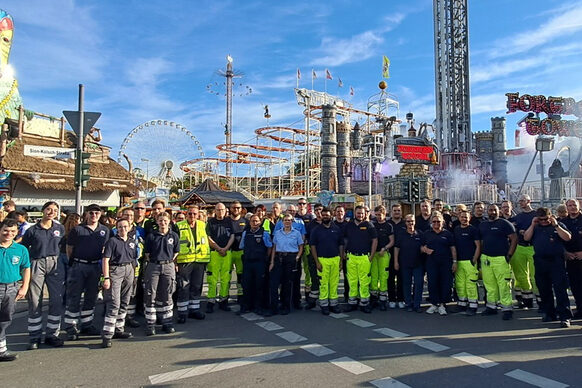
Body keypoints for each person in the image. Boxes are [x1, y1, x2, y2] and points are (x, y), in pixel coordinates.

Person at [20, 201, 65, 349]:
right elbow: (24, 248)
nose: (51, 212)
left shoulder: (60, 228)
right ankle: (34, 336)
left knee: (56, 300)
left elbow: (63, 247)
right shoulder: (32, 230)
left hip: (55, 264)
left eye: (54, 210)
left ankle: (52, 334)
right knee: (34, 300)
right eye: (48, 209)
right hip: (37, 263)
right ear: (43, 211)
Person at [64, 204, 110, 340]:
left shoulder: (104, 231)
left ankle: (86, 324)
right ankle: (71, 326)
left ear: (100, 215)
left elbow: (105, 249)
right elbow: (69, 248)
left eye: (97, 213)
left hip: (95, 266)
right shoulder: (77, 230)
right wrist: (74, 263)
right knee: (74, 296)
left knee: (91, 297)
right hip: (79, 266)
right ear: (86, 214)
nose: (94, 215)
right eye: (91, 213)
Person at [524, 207, 572, 327]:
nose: (544, 222)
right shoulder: (536, 227)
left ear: (551, 216)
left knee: (560, 289)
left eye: (546, 219)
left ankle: (564, 316)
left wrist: (556, 226)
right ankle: (549, 313)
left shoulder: (558, 225)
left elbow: (567, 237)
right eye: (541, 219)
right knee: (544, 289)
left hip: (556, 261)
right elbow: (526, 238)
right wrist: (532, 224)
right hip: (540, 261)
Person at [100, 218, 137, 348]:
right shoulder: (112, 241)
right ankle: (107, 334)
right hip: (115, 270)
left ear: (130, 227)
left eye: (125, 226)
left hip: (129, 270)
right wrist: (106, 277)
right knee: (114, 302)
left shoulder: (132, 242)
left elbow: (133, 258)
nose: (123, 229)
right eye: (120, 227)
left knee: (125, 301)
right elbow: (105, 260)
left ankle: (119, 329)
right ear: (116, 228)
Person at [479, 204, 517, 320]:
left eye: (494, 210)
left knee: (504, 284)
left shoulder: (504, 223)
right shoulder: (482, 225)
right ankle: (491, 307)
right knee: (489, 284)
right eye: (490, 210)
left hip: (501, 258)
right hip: (486, 259)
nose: (492, 212)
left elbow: (514, 239)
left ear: (498, 211)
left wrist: (509, 255)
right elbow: (480, 241)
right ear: (487, 211)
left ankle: (507, 309)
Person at [143, 212, 179, 336]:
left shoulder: (173, 236)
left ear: (169, 221)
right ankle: (151, 323)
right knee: (150, 293)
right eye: (160, 220)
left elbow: (176, 252)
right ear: (157, 222)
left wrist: (168, 261)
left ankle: (167, 322)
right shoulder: (151, 236)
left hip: (168, 265)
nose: (162, 223)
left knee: (168, 294)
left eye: (165, 220)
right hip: (154, 265)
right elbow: (147, 253)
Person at [0, 218, 30, 361]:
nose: (9, 233)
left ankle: (1, 350)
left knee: (5, 319)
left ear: (17, 232)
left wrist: (24, 286)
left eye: (12, 231)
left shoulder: (21, 249)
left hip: (12, 288)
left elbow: (26, 268)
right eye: (5, 230)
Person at [175, 206, 210, 323]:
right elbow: (175, 245)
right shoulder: (179, 226)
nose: (192, 216)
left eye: (195, 214)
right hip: (185, 261)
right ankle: (182, 312)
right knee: (183, 286)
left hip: (199, 260)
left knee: (196, 286)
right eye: (190, 214)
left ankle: (194, 310)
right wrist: (174, 262)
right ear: (186, 214)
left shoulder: (202, 225)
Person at [343, 205, 378, 313]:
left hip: (364, 257)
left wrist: (371, 255)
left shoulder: (369, 225)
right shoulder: (349, 225)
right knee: (352, 281)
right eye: (358, 213)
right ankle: (352, 302)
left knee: (364, 281)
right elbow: (344, 239)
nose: (360, 215)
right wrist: (344, 251)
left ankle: (364, 303)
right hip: (351, 256)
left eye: (362, 213)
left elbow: (375, 240)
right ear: (355, 213)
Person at [310, 208, 344, 315]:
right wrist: (317, 262)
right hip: (322, 259)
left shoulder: (337, 229)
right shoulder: (316, 230)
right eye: (323, 215)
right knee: (323, 283)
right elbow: (313, 246)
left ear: (331, 216)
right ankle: (324, 304)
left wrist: (341, 260)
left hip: (335, 259)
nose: (325, 216)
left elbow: (341, 245)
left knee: (334, 283)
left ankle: (333, 304)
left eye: (327, 215)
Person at [422, 212, 456, 316]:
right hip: (432, 263)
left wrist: (455, 262)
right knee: (432, 283)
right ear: (431, 222)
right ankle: (434, 304)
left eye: (438, 221)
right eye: (434, 221)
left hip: (445, 262)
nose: (436, 223)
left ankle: (442, 305)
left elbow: (453, 248)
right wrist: (425, 249)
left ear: (443, 222)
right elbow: (421, 246)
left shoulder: (448, 234)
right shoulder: (427, 233)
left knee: (445, 284)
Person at [269, 214, 304, 315]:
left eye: (289, 220)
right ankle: (275, 306)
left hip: (291, 258)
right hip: (279, 258)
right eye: (285, 220)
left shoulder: (296, 233)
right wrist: (272, 261)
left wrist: (297, 257)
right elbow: (274, 247)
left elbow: (301, 246)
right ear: (282, 222)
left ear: (292, 222)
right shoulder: (278, 233)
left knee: (287, 284)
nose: (287, 222)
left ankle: (286, 306)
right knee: (275, 283)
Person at [239, 214, 272, 314]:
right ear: (249, 222)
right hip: (248, 262)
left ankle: (259, 307)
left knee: (259, 285)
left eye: (256, 221)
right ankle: (246, 306)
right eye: (252, 221)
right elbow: (241, 246)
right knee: (247, 285)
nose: (254, 223)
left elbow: (269, 246)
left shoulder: (264, 233)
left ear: (260, 222)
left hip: (260, 263)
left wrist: (266, 258)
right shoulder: (246, 233)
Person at [205, 203, 235, 313]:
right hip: (214, 253)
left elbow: (232, 236)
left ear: (225, 210)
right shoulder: (210, 222)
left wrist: (226, 248)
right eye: (218, 210)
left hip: (227, 253)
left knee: (225, 278)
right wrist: (218, 248)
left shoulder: (229, 221)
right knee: (212, 279)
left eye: (222, 210)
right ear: (215, 211)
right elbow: (208, 237)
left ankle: (223, 301)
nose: (220, 212)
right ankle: (211, 301)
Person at [510, 194, 538, 309]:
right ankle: (527, 299)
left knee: (535, 274)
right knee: (521, 275)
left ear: (529, 201)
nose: (520, 203)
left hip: (533, 247)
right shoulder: (518, 217)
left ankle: (541, 300)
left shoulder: (536, 215)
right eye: (519, 201)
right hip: (520, 247)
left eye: (522, 201)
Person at [453, 210, 481, 316]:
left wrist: (474, 259)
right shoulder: (456, 229)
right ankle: (462, 304)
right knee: (460, 284)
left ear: (469, 218)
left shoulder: (473, 230)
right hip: (459, 261)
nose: (464, 219)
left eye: (466, 217)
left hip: (470, 261)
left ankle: (473, 305)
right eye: (462, 217)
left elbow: (478, 245)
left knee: (471, 284)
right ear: (459, 218)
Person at [394, 214, 424, 313]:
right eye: (408, 221)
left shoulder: (419, 233)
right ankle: (408, 303)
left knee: (419, 284)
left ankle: (417, 304)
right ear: (405, 222)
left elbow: (423, 247)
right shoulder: (401, 234)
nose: (410, 223)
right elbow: (396, 248)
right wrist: (396, 261)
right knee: (407, 284)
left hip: (418, 263)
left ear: (415, 222)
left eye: (412, 221)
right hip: (405, 263)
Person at [371, 205, 394, 310]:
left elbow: (392, 241)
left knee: (383, 276)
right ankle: (374, 298)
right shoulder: (372, 225)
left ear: (384, 214)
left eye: (380, 215)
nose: (378, 217)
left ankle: (383, 300)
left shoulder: (388, 226)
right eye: (376, 215)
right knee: (374, 276)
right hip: (374, 254)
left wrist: (384, 248)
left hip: (384, 254)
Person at [562, 199, 582, 318]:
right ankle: (580, 308)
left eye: (574, 205)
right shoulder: (563, 222)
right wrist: (565, 253)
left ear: (579, 206)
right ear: (566, 208)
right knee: (575, 285)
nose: (572, 207)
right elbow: (559, 241)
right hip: (571, 259)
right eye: (570, 205)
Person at [296, 198, 315, 308]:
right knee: (297, 270)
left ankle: (308, 293)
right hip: (296, 247)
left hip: (307, 246)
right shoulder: (295, 217)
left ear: (306, 205)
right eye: (300, 204)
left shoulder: (310, 217)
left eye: (303, 203)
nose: (301, 205)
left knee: (308, 270)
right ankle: (297, 295)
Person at [304, 203, 323, 309]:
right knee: (314, 278)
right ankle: (312, 300)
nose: (319, 212)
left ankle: (326, 300)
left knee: (325, 279)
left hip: (326, 255)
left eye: (320, 210)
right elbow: (306, 238)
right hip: (313, 255)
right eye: (316, 210)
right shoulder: (311, 224)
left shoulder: (329, 223)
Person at [388, 204, 406, 309]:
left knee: (401, 278)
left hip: (402, 254)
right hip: (389, 254)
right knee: (390, 278)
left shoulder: (405, 224)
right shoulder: (388, 223)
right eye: (395, 210)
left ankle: (400, 299)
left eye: (398, 210)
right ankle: (391, 299)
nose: (397, 212)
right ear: (391, 212)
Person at [229, 201, 248, 302]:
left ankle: (240, 296)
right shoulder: (226, 221)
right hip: (228, 252)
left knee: (241, 275)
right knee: (226, 275)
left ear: (241, 209)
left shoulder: (245, 222)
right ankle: (224, 296)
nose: (236, 209)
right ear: (230, 209)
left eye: (238, 208)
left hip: (241, 252)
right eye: (234, 208)